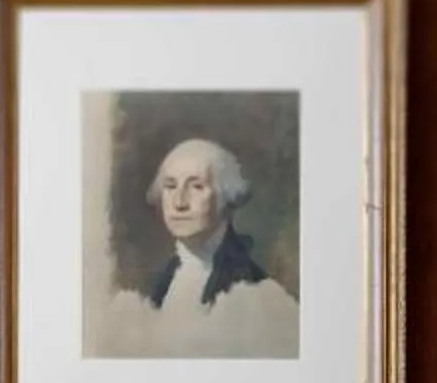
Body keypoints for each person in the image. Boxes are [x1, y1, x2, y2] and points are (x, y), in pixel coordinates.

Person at [94, 136, 300, 358]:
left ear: (225, 196)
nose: (180, 202)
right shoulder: (151, 288)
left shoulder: (257, 293)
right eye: (170, 186)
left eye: (196, 186)